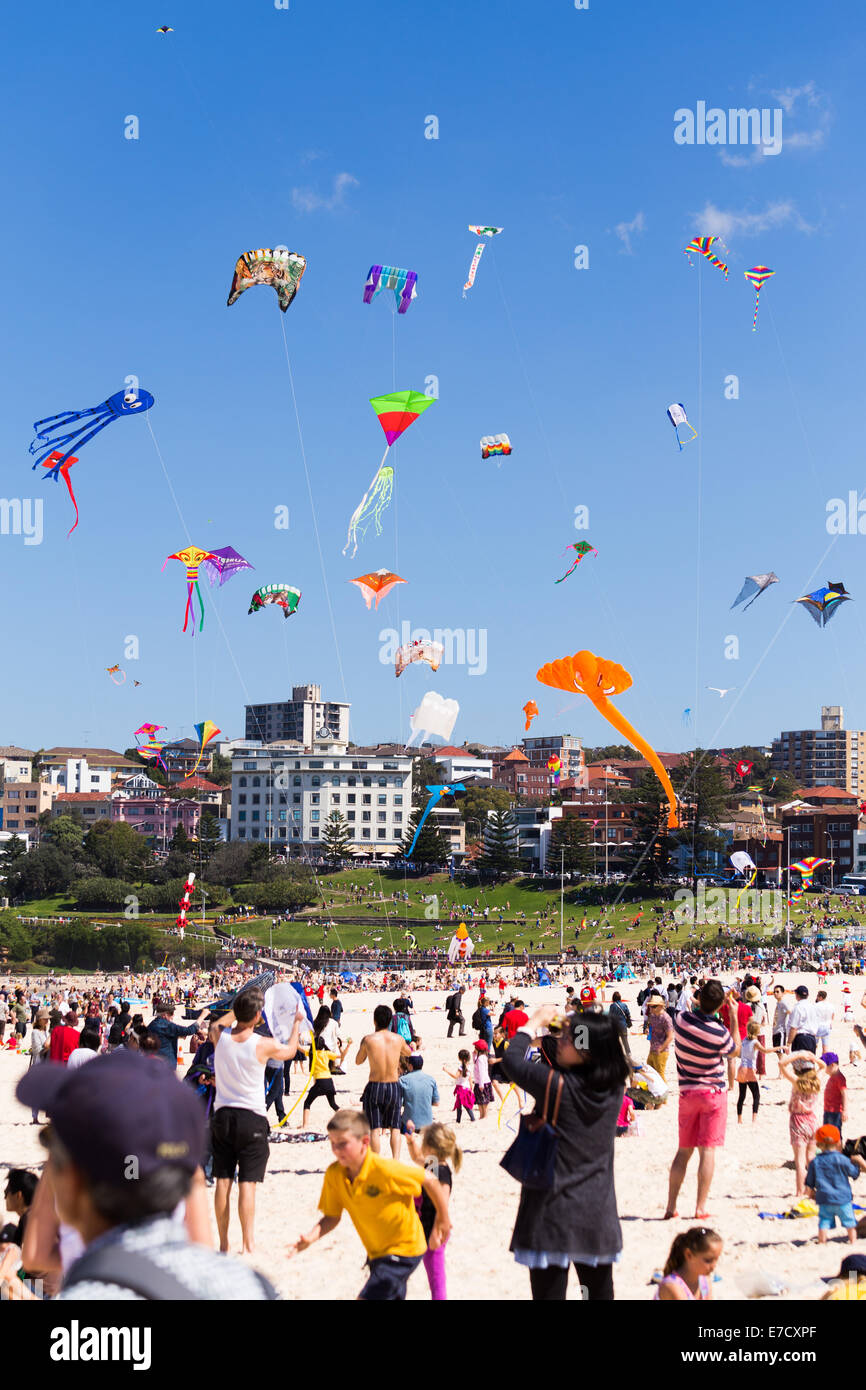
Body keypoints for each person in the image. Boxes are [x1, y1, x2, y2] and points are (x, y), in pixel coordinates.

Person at [13, 1051, 276, 1300]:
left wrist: (77, 1254)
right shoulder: (252, 1288)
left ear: (71, 1178)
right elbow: (201, 1246)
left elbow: (34, 1255)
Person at [501, 1005, 628, 1301]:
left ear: (585, 1049)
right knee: (597, 1293)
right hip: (596, 1210)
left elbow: (511, 1060)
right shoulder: (613, 1088)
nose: (561, 1041)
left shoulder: (553, 1084)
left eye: (569, 1039)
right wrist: (565, 1024)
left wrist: (533, 1023)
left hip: (551, 1212)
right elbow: (593, 1040)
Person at [286, 1109, 451, 1301]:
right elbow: (332, 1216)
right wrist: (311, 1237)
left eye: (343, 1144)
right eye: (333, 1143)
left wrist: (443, 1218)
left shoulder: (383, 1169)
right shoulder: (334, 1174)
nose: (337, 1150)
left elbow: (430, 1179)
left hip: (405, 1249)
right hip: (376, 1253)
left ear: (365, 1142)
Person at [209, 987, 301, 1254]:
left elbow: (216, 1024)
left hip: (223, 1115)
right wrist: (295, 1024)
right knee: (247, 1183)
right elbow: (291, 1051)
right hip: (251, 1117)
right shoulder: (263, 1044)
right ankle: (247, 1243)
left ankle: (224, 1243)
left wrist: (237, 1010)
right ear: (258, 1014)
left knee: (223, 1181)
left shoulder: (220, 1036)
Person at [665, 980, 740, 1221]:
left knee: (683, 1151)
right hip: (712, 1093)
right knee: (707, 1151)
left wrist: (700, 1001)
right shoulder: (719, 1033)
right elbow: (735, 1050)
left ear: (699, 998)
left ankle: (671, 1206)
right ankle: (699, 1207)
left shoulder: (682, 1020)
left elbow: (689, 1008)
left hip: (687, 1092)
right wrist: (735, 1017)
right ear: (719, 1005)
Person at [404, 1120, 459, 1301]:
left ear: (432, 1147)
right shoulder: (434, 1164)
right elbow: (417, 1158)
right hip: (423, 1227)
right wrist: (411, 1141)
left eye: (423, 1141)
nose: (421, 1145)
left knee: (436, 1279)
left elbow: (442, 1203)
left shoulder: (442, 1173)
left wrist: (436, 1232)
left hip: (435, 1230)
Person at [356, 1005, 412, 1157]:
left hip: (375, 1085)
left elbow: (358, 1061)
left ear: (374, 1021)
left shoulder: (368, 1040)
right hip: (393, 1085)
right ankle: (395, 1161)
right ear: (389, 1021)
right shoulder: (398, 1039)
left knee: (374, 1127)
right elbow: (409, 1052)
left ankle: (376, 1161)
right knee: (394, 1126)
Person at [805, 1125, 866, 1244]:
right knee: (850, 1222)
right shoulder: (842, 1159)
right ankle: (852, 1240)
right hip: (843, 1198)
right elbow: (853, 1173)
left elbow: (809, 1182)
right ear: (838, 1142)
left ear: (818, 1144)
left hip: (824, 1199)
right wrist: (858, 1165)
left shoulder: (815, 1162)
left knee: (823, 1222)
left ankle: (822, 1241)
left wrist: (812, 1193)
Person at [779, 1053, 826, 1197]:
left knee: (799, 1160)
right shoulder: (816, 1081)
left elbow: (781, 1064)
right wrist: (813, 1058)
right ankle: (811, 1189)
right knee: (811, 1158)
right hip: (812, 1121)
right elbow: (823, 1066)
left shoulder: (796, 1081)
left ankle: (800, 1191)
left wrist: (798, 1055)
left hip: (798, 1122)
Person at [298, 1024, 351, 1130]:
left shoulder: (312, 1053)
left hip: (320, 1082)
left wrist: (297, 1037)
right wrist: (348, 1045)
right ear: (323, 1045)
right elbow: (342, 1056)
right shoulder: (327, 1053)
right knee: (333, 1104)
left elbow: (299, 1048)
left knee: (307, 1102)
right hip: (329, 1082)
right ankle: (347, 1120)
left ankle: (305, 1125)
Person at [655, 1227, 722, 1300]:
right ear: (689, 1255)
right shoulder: (672, 1286)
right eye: (708, 1260)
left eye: (716, 1259)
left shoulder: (704, 1280)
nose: (714, 1266)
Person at [147, 994, 208, 1069]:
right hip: (166, 1064)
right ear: (165, 1015)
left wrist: (177, 1035)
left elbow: (162, 1036)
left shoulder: (152, 1025)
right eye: (171, 1014)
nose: (173, 1016)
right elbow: (189, 1030)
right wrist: (203, 1016)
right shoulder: (167, 1025)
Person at [736, 1021, 777, 1123]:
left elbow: (739, 1054)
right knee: (756, 1095)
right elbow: (765, 1051)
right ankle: (754, 1119)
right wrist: (780, 1048)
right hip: (749, 1070)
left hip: (741, 1069)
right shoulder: (755, 1042)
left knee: (742, 1096)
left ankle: (739, 1120)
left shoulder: (744, 1040)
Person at [399, 1055, 439, 1133]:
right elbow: (436, 1103)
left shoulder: (403, 1080)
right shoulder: (431, 1079)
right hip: (428, 1124)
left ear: (410, 1066)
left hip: (409, 1124)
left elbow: (399, 1103)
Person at [646, 995, 673, 1080]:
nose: (651, 1008)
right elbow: (651, 1027)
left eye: (654, 1006)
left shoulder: (666, 1018)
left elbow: (670, 1036)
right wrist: (648, 1031)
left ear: (661, 1006)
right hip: (652, 1048)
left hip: (661, 1051)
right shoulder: (652, 1016)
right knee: (650, 1072)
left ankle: (664, 1092)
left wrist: (661, 1048)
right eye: (650, 1006)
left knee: (660, 1074)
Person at [444, 1049, 475, 1123]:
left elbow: (455, 1076)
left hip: (460, 1088)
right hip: (466, 1087)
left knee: (460, 1104)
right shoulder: (469, 1067)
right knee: (465, 1104)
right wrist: (471, 1087)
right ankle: (466, 1118)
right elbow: (470, 1079)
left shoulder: (461, 1068)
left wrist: (446, 1070)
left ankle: (463, 1119)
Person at [787, 986, 818, 1054]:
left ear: (797, 995)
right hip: (812, 1038)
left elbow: (794, 1028)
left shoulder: (798, 1007)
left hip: (801, 1039)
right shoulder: (812, 1007)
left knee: (800, 1063)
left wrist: (788, 1043)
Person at [821, 1053, 847, 1131]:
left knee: (835, 1135)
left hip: (835, 1112)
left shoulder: (839, 1078)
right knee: (827, 1134)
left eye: (825, 1066)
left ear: (832, 1065)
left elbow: (844, 1094)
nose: (824, 1069)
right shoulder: (832, 1076)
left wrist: (845, 1110)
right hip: (828, 1110)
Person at [472, 1040, 494, 1119]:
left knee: (484, 1101)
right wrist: (474, 1054)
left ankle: (484, 1115)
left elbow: (481, 1072)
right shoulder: (482, 1057)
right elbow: (475, 1061)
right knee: (480, 1101)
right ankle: (482, 1115)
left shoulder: (481, 1058)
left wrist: (481, 1084)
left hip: (482, 1082)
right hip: (481, 1082)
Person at [771, 984, 793, 1049]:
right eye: (774, 992)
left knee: (781, 1052)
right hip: (776, 1030)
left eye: (777, 992)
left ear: (783, 993)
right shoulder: (779, 1003)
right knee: (778, 1052)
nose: (775, 993)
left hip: (781, 1030)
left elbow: (791, 1012)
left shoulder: (783, 1003)